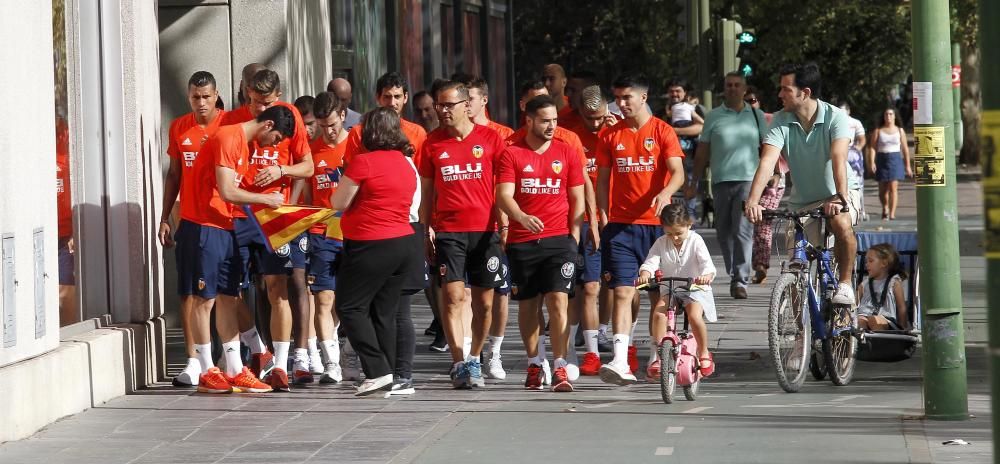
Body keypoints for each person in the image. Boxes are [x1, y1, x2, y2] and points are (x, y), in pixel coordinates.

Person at [190, 105, 297, 394]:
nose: (275, 145)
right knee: (205, 298)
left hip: (227, 223)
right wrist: (267, 200)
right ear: (268, 125)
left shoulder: (243, 146)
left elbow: (235, 190)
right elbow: (227, 190)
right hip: (205, 222)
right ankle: (205, 369)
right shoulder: (228, 137)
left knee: (228, 295)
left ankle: (235, 369)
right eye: (276, 138)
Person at [221, 69, 315, 390]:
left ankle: (281, 365)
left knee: (278, 290)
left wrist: (281, 169)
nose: (264, 109)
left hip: (276, 215)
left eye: (270, 101)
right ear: (247, 93)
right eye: (258, 102)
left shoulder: (288, 116)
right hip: (238, 214)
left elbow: (309, 166)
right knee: (229, 292)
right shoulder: (232, 121)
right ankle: (257, 347)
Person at [744, 62, 860, 306]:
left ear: (804, 93)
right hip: (802, 201)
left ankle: (846, 284)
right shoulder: (780, 119)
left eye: (785, 89)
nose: (779, 94)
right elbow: (767, 161)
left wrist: (840, 197)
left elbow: (839, 158)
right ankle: (799, 332)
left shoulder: (835, 117)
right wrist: (753, 200)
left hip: (838, 193)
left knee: (840, 222)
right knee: (796, 265)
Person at [341, 72, 428, 392]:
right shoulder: (406, 162)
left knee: (353, 307)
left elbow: (340, 199)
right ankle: (393, 375)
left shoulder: (365, 161)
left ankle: (382, 371)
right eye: (387, 97)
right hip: (404, 238)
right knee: (386, 311)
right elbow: (417, 195)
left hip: (374, 239)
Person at [596, 74, 685, 385]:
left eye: (626, 98)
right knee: (623, 290)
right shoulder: (610, 135)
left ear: (643, 98)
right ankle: (620, 359)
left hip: (658, 228)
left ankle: (658, 356)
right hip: (621, 228)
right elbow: (603, 180)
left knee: (659, 297)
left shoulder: (663, 131)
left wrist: (664, 193)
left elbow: (678, 172)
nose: (621, 104)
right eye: (617, 98)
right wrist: (603, 216)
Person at [419, 80, 506, 389]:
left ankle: (475, 357)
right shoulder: (431, 143)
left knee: (484, 305)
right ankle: (459, 362)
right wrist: (425, 229)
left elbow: (503, 189)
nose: (442, 111)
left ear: (466, 106)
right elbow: (426, 193)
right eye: (439, 105)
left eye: (448, 105)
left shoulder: (492, 139)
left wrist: (506, 225)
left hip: (486, 233)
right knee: (454, 297)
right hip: (449, 232)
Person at [496, 95, 586, 392]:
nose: (551, 126)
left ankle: (560, 366)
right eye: (545, 121)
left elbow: (577, 198)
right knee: (529, 305)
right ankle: (536, 362)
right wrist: (520, 217)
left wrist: (574, 237)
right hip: (523, 241)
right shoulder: (511, 153)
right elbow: (503, 195)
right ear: (530, 120)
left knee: (559, 300)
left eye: (555, 120)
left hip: (559, 240)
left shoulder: (567, 151)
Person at [159, 71, 227, 387]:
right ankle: (194, 360)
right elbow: (174, 175)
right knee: (187, 291)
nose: (200, 103)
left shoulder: (229, 125)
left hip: (223, 220)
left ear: (216, 96)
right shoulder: (179, 127)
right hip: (188, 220)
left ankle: (235, 353)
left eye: (206, 96)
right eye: (195, 97)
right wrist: (164, 217)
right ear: (189, 97)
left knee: (226, 294)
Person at [687, 72, 767, 300]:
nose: (732, 88)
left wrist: (772, 174)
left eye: (737, 85)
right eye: (728, 85)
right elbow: (703, 151)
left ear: (744, 89)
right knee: (723, 231)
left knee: (743, 230)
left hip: (748, 181)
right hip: (721, 181)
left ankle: (740, 279)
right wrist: (695, 181)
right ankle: (734, 273)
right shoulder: (713, 116)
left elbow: (768, 146)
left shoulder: (756, 114)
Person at [464, 76, 514, 379]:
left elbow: (506, 184)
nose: (464, 104)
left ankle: (494, 352)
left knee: (500, 293)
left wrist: (507, 220)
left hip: (497, 226)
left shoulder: (502, 136)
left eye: (469, 98)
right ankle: (472, 351)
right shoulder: (449, 135)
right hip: (462, 229)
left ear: (483, 99)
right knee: (467, 294)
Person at [637, 204, 717, 379]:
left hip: (694, 288)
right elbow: (651, 261)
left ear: (689, 225)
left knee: (694, 315)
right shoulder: (660, 243)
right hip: (671, 287)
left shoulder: (696, 241)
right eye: (669, 233)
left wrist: (705, 276)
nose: (675, 238)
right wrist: (645, 273)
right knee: (659, 313)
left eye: (679, 233)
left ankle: (704, 352)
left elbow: (707, 264)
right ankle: (659, 356)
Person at [567, 85, 615, 376]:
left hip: (616, 216)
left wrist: (615, 130)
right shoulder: (571, 135)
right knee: (588, 285)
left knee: (613, 281)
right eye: (589, 118)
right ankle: (589, 345)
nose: (595, 124)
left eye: (599, 118)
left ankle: (604, 328)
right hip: (585, 218)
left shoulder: (617, 131)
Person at [304, 92, 349, 384]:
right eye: (322, 126)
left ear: (342, 116)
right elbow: (307, 197)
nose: (328, 131)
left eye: (332, 124)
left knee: (349, 302)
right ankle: (331, 362)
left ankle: (352, 351)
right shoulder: (311, 151)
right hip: (323, 233)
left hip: (355, 231)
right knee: (323, 298)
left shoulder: (357, 145)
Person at [744, 88, 785, 285]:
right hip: (742, 179)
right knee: (744, 225)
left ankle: (761, 265)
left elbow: (774, 151)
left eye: (752, 101)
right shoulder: (736, 124)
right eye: (745, 102)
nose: (749, 105)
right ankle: (742, 269)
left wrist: (777, 173)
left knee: (763, 221)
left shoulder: (770, 120)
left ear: (758, 102)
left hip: (771, 180)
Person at [868, 108, 912, 220]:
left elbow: (905, 149)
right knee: (883, 190)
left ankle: (892, 213)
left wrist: (908, 166)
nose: (888, 116)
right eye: (886, 114)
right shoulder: (878, 131)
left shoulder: (900, 131)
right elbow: (873, 147)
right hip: (882, 158)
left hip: (895, 158)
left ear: (895, 116)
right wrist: (872, 161)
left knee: (893, 187)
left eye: (891, 114)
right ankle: (885, 207)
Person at [856, 243, 909, 331]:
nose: (866, 264)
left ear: (884, 263)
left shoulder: (894, 282)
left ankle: (878, 343)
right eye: (866, 261)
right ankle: (862, 342)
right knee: (859, 321)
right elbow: (854, 304)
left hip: (885, 319)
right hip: (863, 315)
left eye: (871, 261)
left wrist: (903, 328)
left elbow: (901, 307)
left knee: (874, 320)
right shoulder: (864, 283)